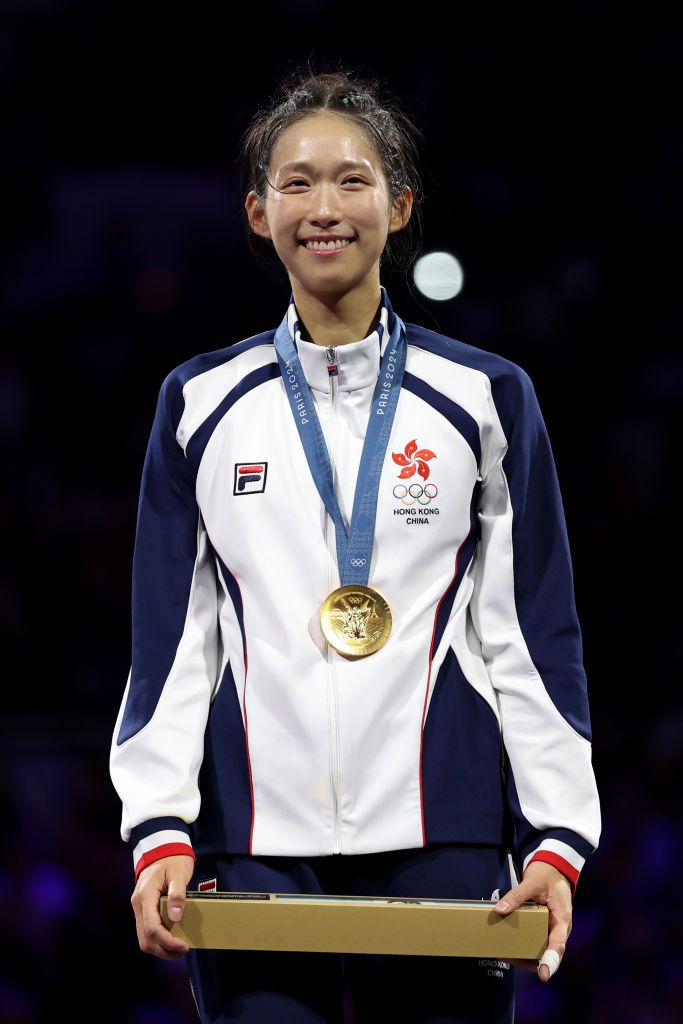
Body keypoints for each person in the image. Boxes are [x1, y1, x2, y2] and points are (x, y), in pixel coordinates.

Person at [110, 67, 601, 1024]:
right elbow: (172, 641)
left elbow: (532, 635)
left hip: (445, 824)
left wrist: (556, 838)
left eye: (352, 179)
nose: (323, 207)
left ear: (399, 203)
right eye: (295, 183)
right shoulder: (199, 404)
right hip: (250, 835)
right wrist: (159, 827)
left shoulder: (486, 399)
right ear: (257, 213)